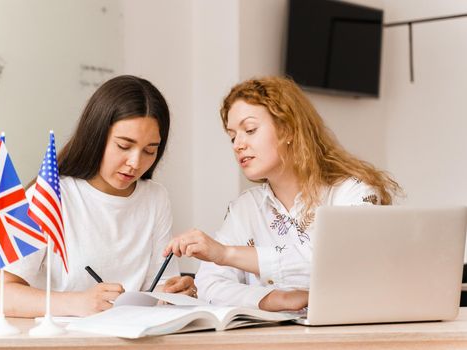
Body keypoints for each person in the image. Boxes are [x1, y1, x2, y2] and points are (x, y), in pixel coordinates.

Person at [164, 76, 402, 312]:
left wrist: (225, 253)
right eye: (232, 136)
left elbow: (344, 265)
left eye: (249, 130)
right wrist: (275, 299)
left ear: (287, 128)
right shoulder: (245, 208)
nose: (238, 144)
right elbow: (209, 283)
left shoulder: (353, 192)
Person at [0, 75, 196, 318]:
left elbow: (158, 287)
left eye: (150, 150)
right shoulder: (49, 194)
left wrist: (175, 294)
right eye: (123, 146)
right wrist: (77, 303)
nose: (135, 163)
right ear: (96, 135)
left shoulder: (155, 198)